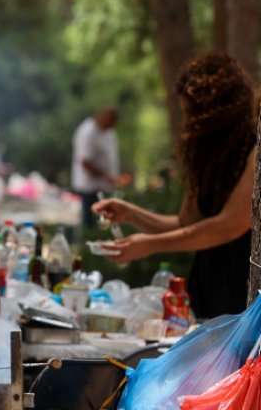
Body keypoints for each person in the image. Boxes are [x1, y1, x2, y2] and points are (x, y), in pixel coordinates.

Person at [93, 52, 256, 319]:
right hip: (210, 298)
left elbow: (229, 226)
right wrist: (131, 214)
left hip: (245, 299)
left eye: (192, 113)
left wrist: (150, 244)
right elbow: (185, 226)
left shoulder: (254, 152)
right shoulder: (209, 156)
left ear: (216, 112)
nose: (188, 122)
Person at [71, 106, 124, 227]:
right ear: (105, 117)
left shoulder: (108, 131)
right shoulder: (87, 132)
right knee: (91, 220)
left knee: (104, 220)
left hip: (104, 185)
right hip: (89, 186)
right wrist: (107, 177)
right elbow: (85, 162)